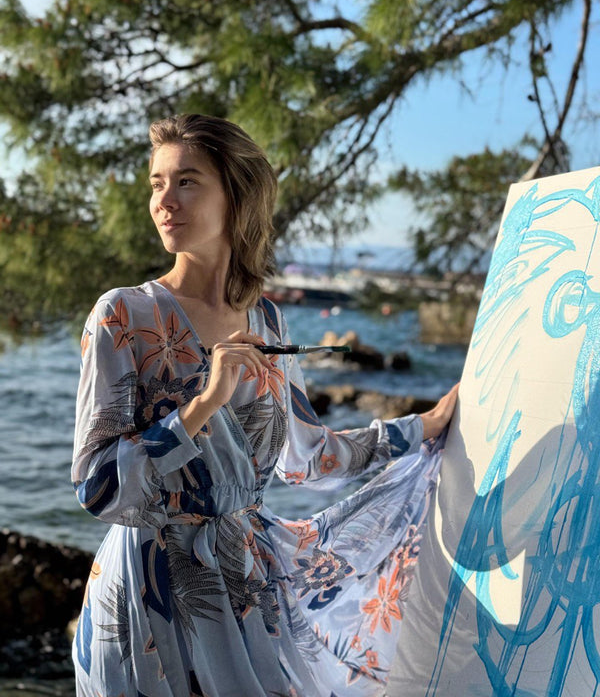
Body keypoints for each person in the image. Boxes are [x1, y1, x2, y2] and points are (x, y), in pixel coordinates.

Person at [71, 113, 459, 697]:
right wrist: (204, 404)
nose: (164, 201)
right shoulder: (124, 315)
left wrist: (421, 428)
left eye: (186, 181)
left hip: (248, 588)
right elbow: (97, 485)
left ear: (237, 196)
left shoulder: (266, 321)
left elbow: (308, 457)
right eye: (157, 183)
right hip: (152, 598)